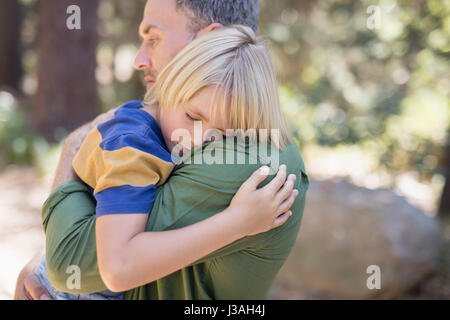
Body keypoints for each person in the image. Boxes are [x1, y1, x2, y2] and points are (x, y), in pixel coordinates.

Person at [15, 0, 309, 300]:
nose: (200, 141)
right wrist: (237, 222)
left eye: (154, 38)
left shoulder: (195, 133)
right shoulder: (134, 144)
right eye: (193, 118)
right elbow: (109, 266)